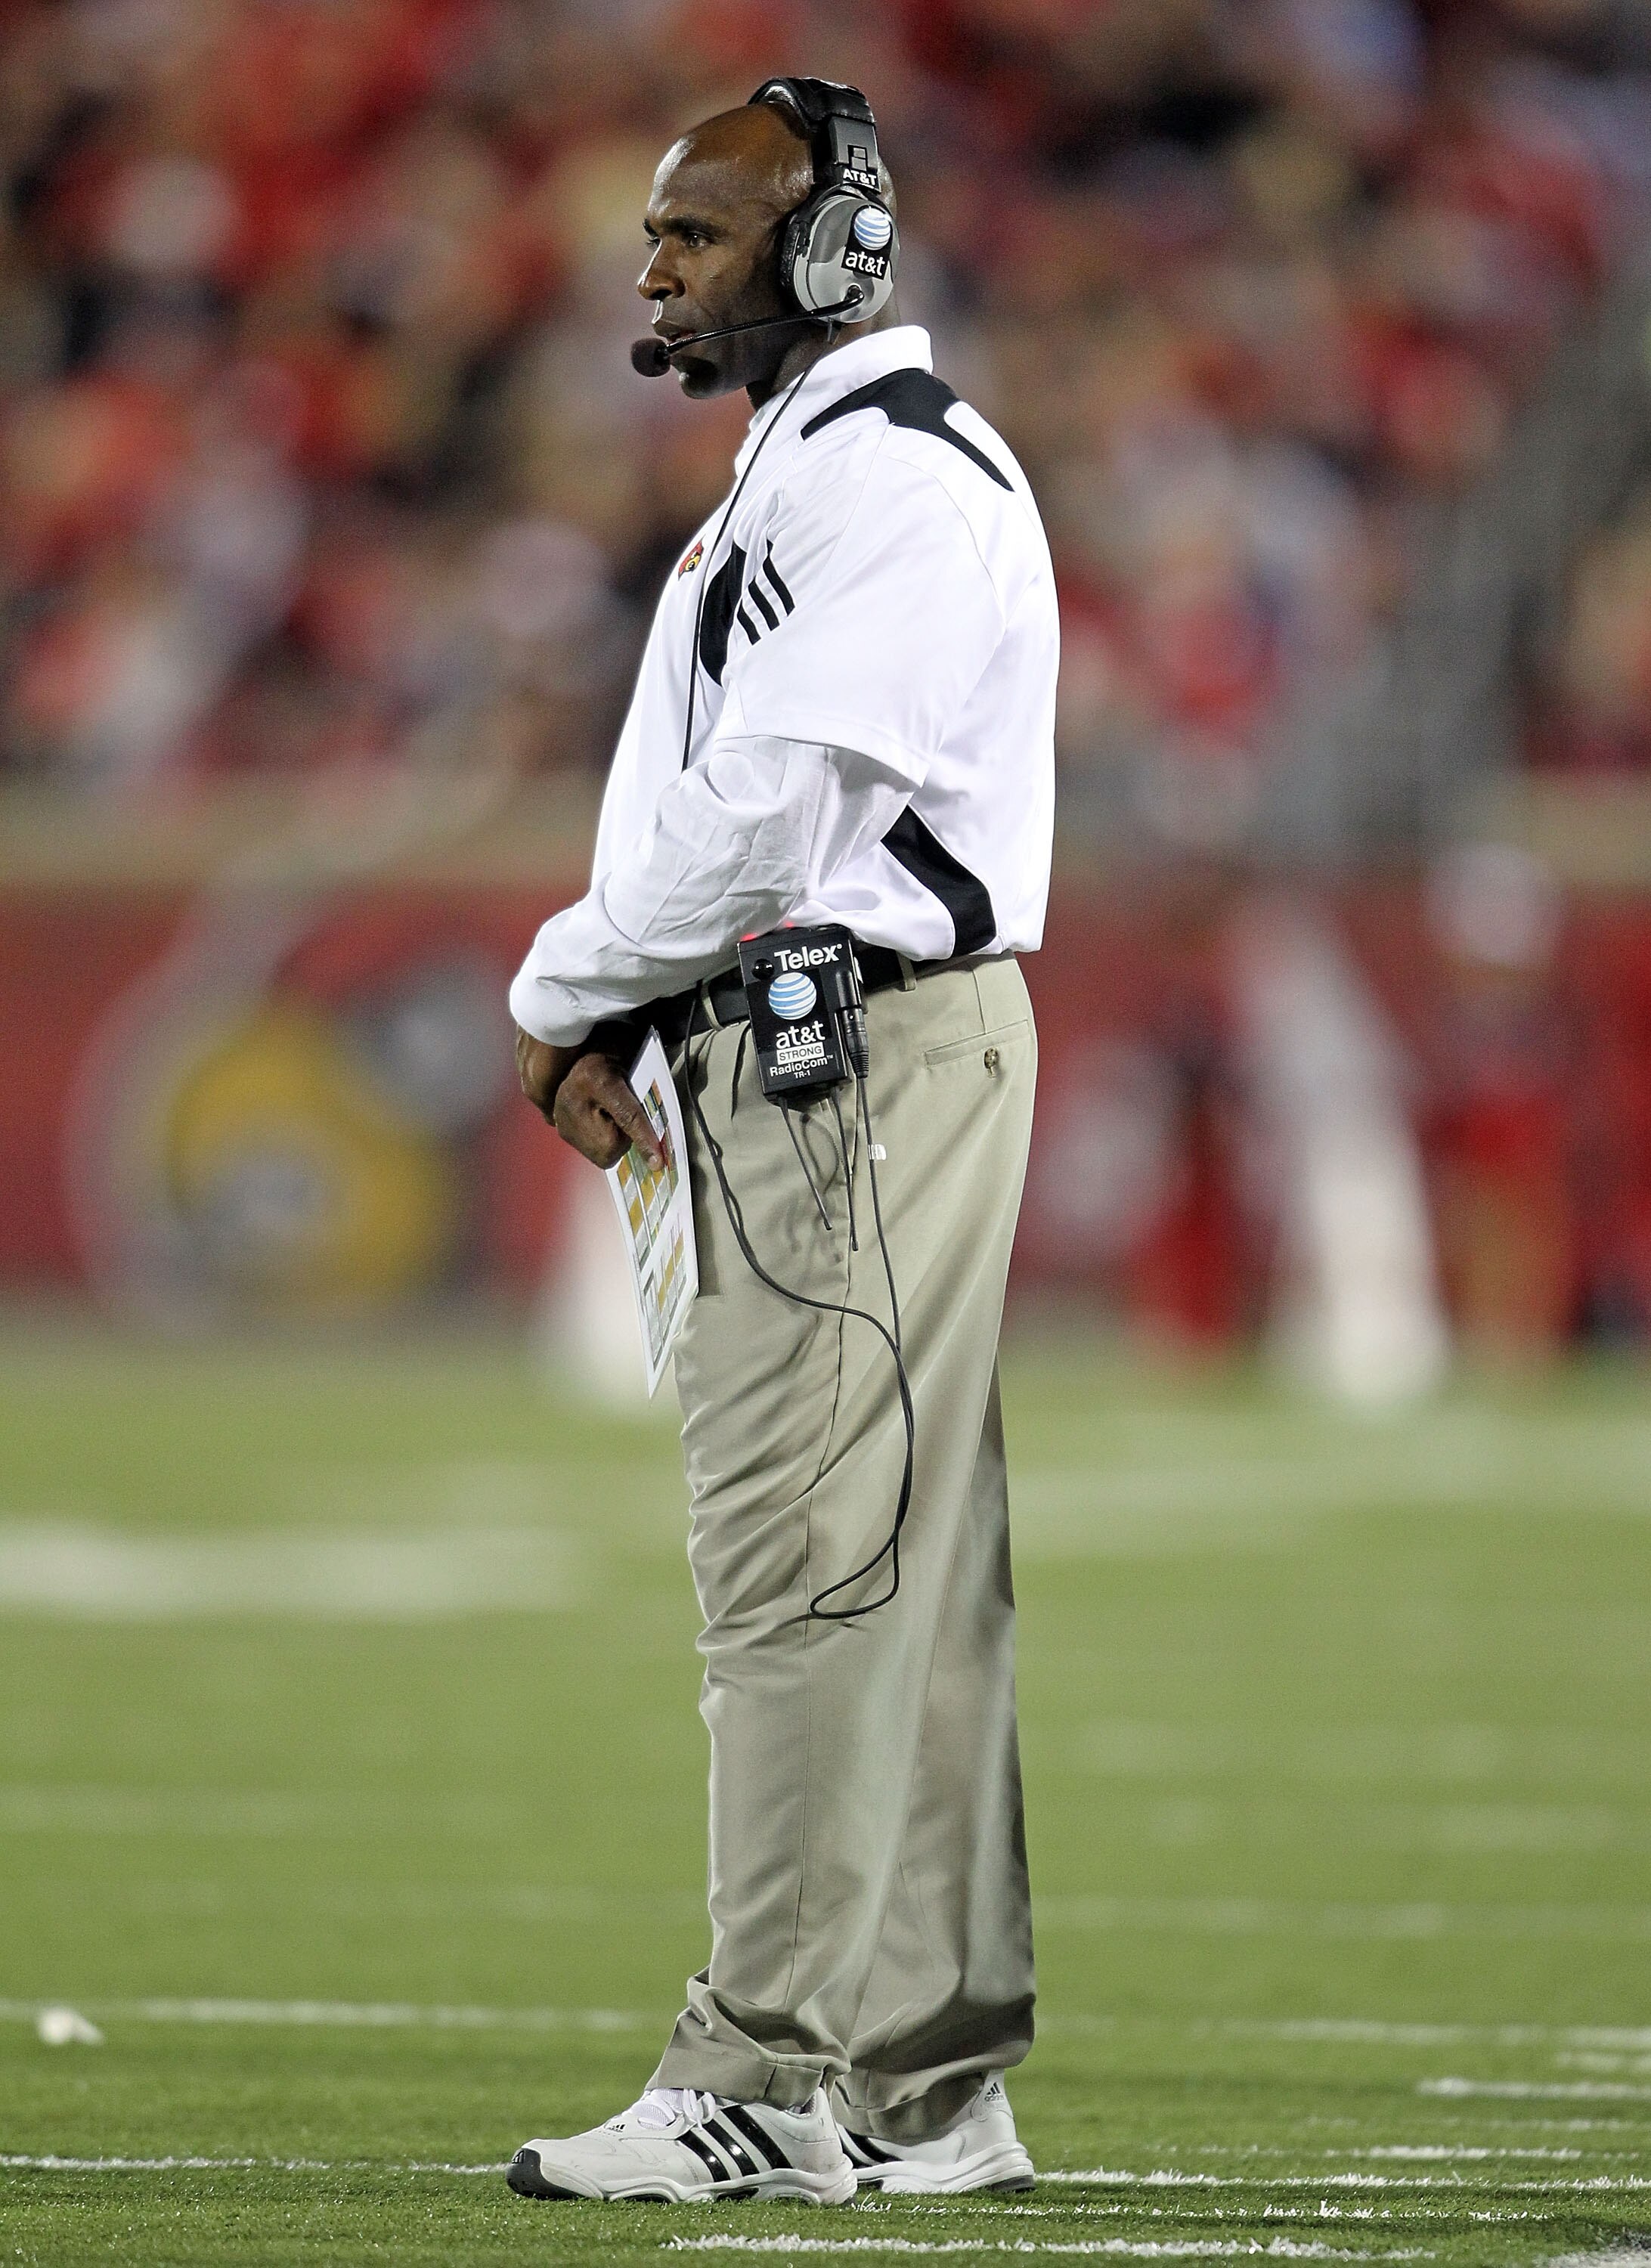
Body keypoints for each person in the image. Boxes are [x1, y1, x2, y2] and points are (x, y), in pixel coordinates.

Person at [506, 76, 1058, 2208]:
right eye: (656, 230)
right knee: (898, 1580)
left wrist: (567, 982)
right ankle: (924, 2087)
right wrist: (626, 991)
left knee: (805, 1577)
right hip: (828, 1050)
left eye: (699, 234)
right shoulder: (817, 468)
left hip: (853, 1060)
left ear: (830, 253)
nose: (652, 267)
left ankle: (758, 2083)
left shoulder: (888, 485)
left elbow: (776, 815)